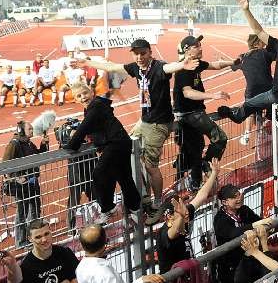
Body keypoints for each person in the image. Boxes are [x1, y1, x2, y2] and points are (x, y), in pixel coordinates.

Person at [73, 39, 198, 223]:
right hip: (145, 121)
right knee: (127, 147)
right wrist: (87, 63)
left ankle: (157, 202)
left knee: (150, 166)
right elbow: (112, 66)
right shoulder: (136, 68)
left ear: (150, 52)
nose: (139, 57)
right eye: (136, 54)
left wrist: (181, 65)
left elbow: (168, 68)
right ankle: (140, 196)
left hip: (158, 124)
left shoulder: (158, 67)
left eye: (143, 53)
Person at [63, 82, 142, 225]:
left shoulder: (96, 105)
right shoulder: (92, 108)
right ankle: (136, 210)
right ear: (75, 99)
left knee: (99, 174)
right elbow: (92, 127)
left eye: (84, 93)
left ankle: (108, 208)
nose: (83, 97)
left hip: (116, 144)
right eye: (78, 96)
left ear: (91, 92)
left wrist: (70, 146)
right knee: (124, 179)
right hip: (120, 143)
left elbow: (84, 128)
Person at [156, 158, 223, 283]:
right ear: (169, 216)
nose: (187, 211)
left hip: (187, 281)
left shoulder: (183, 216)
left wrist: (214, 174)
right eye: (181, 210)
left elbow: (201, 196)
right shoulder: (165, 232)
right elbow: (174, 232)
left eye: (185, 209)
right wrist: (181, 215)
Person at [173, 35, 233, 191]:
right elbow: (188, 93)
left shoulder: (196, 64)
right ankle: (203, 166)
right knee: (219, 138)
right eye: (197, 46)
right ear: (187, 50)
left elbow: (214, 65)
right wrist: (213, 95)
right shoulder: (184, 69)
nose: (201, 48)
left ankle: (193, 180)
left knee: (194, 149)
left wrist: (233, 63)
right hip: (190, 114)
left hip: (192, 113)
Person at [76, 225, 164, 283]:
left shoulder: (80, 268)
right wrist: (141, 281)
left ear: (82, 246)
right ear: (104, 245)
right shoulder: (103, 273)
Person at [212, 183, 273, 283]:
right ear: (225, 202)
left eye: (239, 195)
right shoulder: (220, 219)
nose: (239, 198)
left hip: (250, 259)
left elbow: (260, 221)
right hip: (231, 268)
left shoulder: (244, 210)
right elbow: (232, 233)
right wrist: (255, 225)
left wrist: (262, 225)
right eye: (235, 197)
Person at [16, 219, 82, 283]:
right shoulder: (25, 268)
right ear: (30, 239)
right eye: (38, 237)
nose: (44, 240)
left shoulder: (64, 253)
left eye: (46, 234)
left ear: (51, 232)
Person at [2, 121, 49, 247]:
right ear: (21, 130)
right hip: (21, 185)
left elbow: (38, 156)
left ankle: (35, 236)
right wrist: (16, 177)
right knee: (22, 212)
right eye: (30, 129)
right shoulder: (14, 144)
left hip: (32, 182)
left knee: (34, 210)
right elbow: (5, 164)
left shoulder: (28, 142)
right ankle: (21, 241)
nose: (32, 131)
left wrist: (44, 144)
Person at [229, 34, 274, 145]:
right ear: (257, 43)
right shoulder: (265, 53)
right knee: (270, 111)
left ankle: (247, 134)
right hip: (267, 91)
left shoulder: (243, 57)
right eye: (262, 41)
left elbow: (233, 67)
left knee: (250, 111)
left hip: (252, 91)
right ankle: (265, 130)